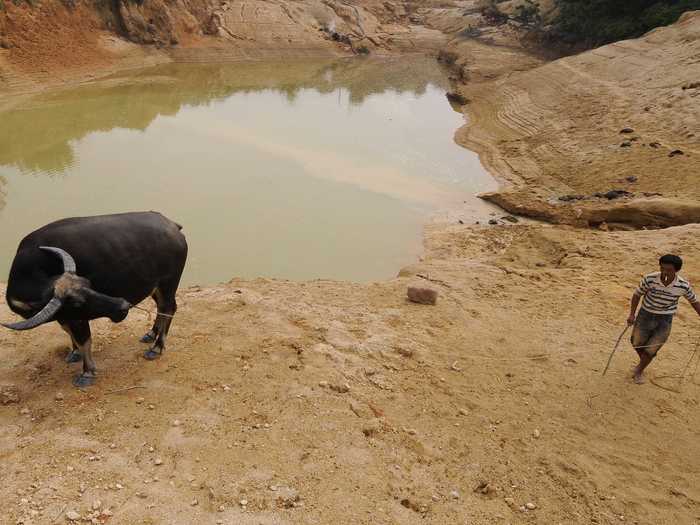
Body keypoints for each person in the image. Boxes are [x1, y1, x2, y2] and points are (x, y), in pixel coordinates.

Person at [627, 254, 700, 384]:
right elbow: (637, 295)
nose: (664, 272)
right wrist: (632, 314)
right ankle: (646, 358)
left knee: (652, 348)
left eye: (669, 270)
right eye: (662, 268)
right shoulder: (650, 279)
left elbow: (694, 302)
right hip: (645, 315)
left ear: (676, 270)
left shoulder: (683, 286)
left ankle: (640, 369)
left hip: (665, 320)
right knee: (636, 342)